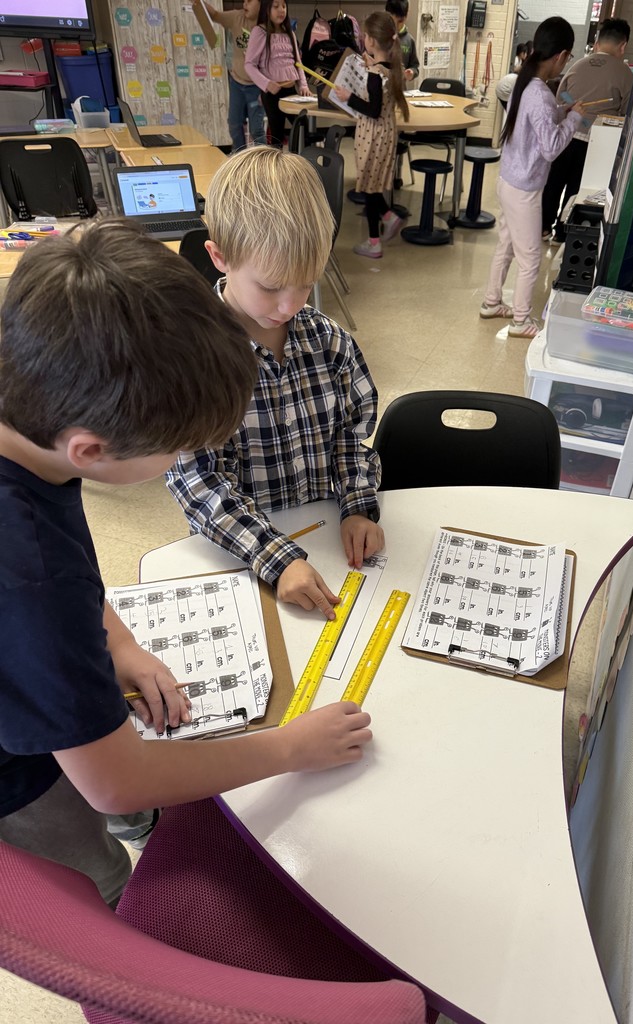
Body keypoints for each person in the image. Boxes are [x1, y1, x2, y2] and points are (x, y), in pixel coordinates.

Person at [0, 219, 373, 908]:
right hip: (18, 784)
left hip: (45, 676)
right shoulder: (32, 577)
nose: (180, 460)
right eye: (174, 450)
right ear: (87, 449)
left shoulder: (33, 416)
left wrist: (116, 641)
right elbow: (116, 781)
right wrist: (288, 748)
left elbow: (63, 574)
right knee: (95, 887)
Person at [166, 147, 385, 619]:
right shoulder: (192, 362)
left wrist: (358, 505)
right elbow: (199, 484)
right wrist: (277, 559)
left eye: (305, 284)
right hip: (240, 558)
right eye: (270, 286)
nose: (289, 305)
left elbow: (349, 438)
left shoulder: (330, 343)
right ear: (219, 256)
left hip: (324, 543)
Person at [479, 17, 585, 337]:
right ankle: (521, 321)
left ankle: (491, 302)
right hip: (523, 188)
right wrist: (576, 117)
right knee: (530, 260)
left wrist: (565, 110)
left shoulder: (524, 82)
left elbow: (541, 122)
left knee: (507, 247)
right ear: (562, 55)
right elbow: (551, 146)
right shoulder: (538, 92)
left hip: (508, 179)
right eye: (568, 58)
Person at [541, 18, 633, 241]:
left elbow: (560, 97)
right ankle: (563, 233)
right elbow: (626, 113)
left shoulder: (576, 66)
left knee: (554, 184)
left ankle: (543, 228)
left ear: (597, 42)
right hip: (598, 144)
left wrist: (578, 115)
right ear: (623, 46)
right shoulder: (625, 74)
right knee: (578, 189)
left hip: (566, 136)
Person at [333, 11, 410, 259]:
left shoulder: (376, 75)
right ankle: (389, 217)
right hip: (385, 134)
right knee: (373, 186)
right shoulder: (391, 67)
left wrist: (349, 97)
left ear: (372, 41)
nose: (364, 39)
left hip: (372, 134)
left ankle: (374, 241)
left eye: (365, 35)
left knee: (368, 186)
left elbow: (372, 110)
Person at [196, 0, 267, 151]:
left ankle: (263, 160)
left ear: (261, 4)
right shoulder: (237, 17)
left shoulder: (267, 26)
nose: (245, 4)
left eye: (249, 1)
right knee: (234, 123)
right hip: (237, 83)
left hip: (256, 87)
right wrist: (200, 3)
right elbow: (215, 15)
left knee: (256, 129)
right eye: (244, 1)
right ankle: (240, 157)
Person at [244, 0, 310, 147]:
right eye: (276, 6)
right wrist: (266, 84)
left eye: (284, 6)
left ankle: (296, 163)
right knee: (277, 136)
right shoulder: (259, 32)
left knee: (303, 128)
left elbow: (298, 63)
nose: (281, 10)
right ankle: (276, 168)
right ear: (267, 10)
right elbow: (249, 64)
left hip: (292, 92)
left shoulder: (290, 33)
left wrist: (303, 85)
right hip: (272, 94)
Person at [385, 0, 420, 83]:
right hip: (379, 91)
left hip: (400, 91)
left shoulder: (410, 41)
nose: (396, 25)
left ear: (406, 16)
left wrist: (412, 72)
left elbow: (414, 66)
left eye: (400, 21)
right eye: (392, 21)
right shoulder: (379, 37)